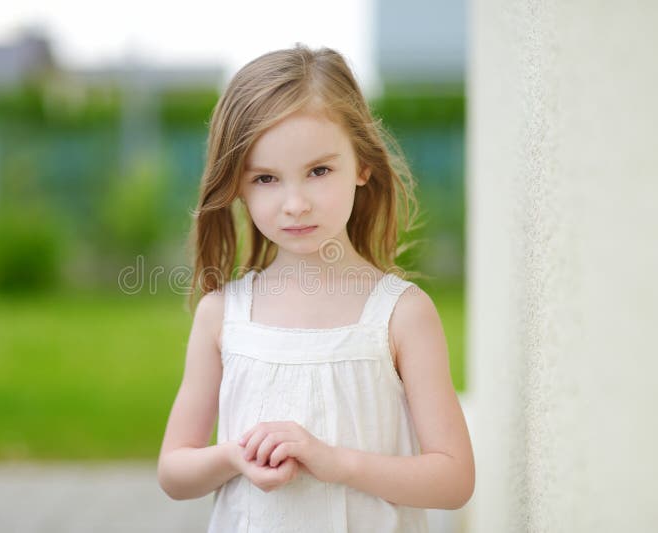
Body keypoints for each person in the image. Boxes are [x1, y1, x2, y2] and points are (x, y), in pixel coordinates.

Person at [157, 43, 474, 532]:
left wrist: (335, 462)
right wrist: (235, 458)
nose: (295, 203)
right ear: (237, 186)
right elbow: (174, 471)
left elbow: (454, 480)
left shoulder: (400, 315)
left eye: (319, 171)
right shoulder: (223, 316)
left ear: (362, 165)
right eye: (265, 178)